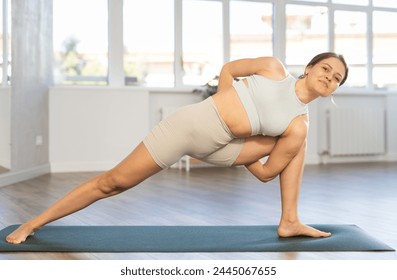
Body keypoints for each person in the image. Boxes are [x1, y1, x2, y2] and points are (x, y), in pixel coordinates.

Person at [6, 52, 348, 244]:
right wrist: (222, 101)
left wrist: (247, 146)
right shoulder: (273, 69)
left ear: (333, 91)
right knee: (113, 183)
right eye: (325, 69)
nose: (328, 77)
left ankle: (290, 221)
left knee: (298, 140)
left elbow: (265, 173)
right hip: (189, 128)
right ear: (309, 68)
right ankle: (33, 223)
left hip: (226, 149)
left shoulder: (298, 124)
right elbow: (228, 69)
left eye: (336, 78)